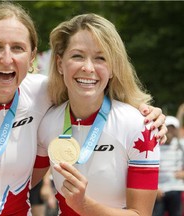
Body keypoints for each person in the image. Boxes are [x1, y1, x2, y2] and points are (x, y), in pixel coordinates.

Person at [0, 2, 166, 216]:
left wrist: (145, 111)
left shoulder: (42, 93)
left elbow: (90, 86)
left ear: (32, 57)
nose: (7, 58)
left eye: (17, 48)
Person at [34, 13, 162, 216]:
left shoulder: (139, 125)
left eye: (100, 58)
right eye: (77, 56)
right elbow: (18, 181)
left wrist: (83, 205)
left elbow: (141, 213)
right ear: (60, 64)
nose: (88, 67)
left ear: (112, 68)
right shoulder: (47, 122)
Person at [153, 116, 184, 216]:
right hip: (159, 190)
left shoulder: (181, 145)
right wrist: (154, 188)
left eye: (172, 128)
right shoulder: (155, 145)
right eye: (168, 128)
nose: (170, 131)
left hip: (176, 188)